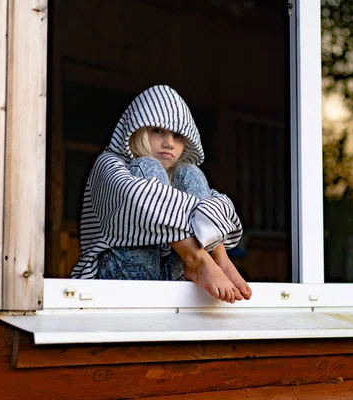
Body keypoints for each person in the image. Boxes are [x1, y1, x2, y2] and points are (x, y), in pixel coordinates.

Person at [71, 85, 252, 303]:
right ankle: (197, 258)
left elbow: (225, 210)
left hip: (170, 277)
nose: (169, 143)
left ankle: (218, 258)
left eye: (177, 136)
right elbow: (138, 198)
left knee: (190, 171)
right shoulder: (109, 163)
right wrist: (200, 216)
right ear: (137, 128)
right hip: (122, 274)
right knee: (149, 166)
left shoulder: (182, 176)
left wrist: (216, 245)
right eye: (158, 131)